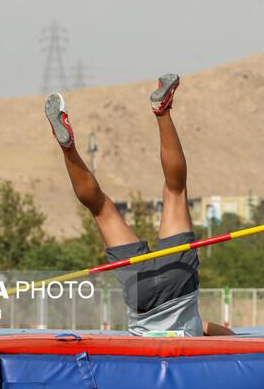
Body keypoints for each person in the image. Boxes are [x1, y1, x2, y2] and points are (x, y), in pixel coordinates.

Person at [44, 74, 233, 337]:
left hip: (179, 284)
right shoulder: (163, 349)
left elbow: (219, 335)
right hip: (140, 292)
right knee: (101, 209)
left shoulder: (193, 331)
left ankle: (162, 112)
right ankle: (68, 148)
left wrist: (229, 335)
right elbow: (207, 330)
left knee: (175, 192)